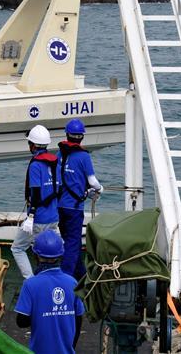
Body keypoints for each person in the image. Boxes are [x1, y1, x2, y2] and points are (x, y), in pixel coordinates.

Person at [14, 231, 85, 354]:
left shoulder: (30, 285)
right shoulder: (72, 283)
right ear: (61, 255)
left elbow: (21, 322)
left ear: (35, 255)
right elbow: (78, 319)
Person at [11, 125, 61, 279]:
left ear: (32, 145)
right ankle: (51, 279)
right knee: (48, 252)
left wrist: (31, 216)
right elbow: (58, 189)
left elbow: (36, 193)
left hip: (38, 218)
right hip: (54, 217)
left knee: (18, 248)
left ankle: (31, 281)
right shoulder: (55, 162)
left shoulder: (35, 165)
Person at [57, 118, 104, 279]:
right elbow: (92, 181)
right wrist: (99, 189)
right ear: (82, 136)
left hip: (60, 206)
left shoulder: (60, 153)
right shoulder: (84, 156)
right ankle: (66, 278)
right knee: (72, 243)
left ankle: (81, 274)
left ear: (67, 134)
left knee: (70, 240)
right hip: (74, 208)